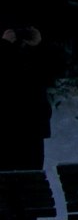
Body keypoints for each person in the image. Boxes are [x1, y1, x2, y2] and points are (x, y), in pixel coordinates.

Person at [0, 22, 49, 170]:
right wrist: (4, 46)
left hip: (30, 129)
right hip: (11, 129)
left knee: (30, 181)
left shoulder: (30, 58)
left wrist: (37, 47)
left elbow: (44, 77)